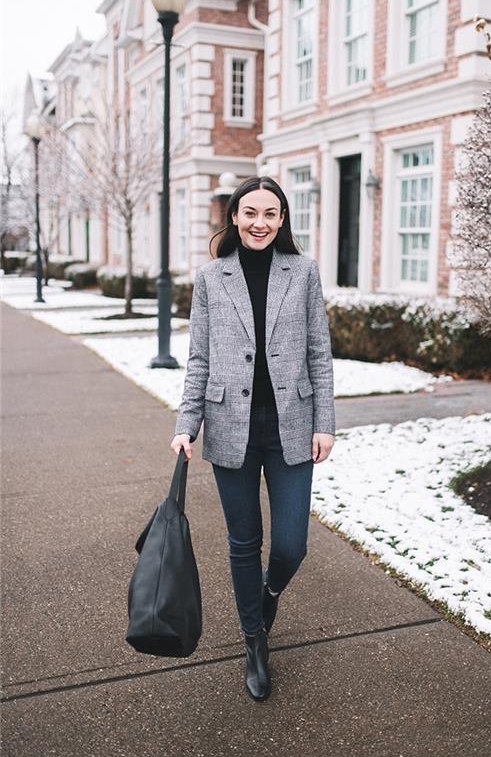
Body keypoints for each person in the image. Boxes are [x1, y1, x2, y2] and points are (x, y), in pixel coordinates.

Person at [170, 175, 335, 702]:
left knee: (291, 545)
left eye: (270, 213)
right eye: (249, 212)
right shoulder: (210, 277)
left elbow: (319, 352)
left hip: (291, 424)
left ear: (282, 219)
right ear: (234, 218)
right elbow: (199, 358)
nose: (259, 222)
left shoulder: (303, 272)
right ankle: (254, 642)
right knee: (244, 542)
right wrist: (185, 425)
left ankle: (264, 598)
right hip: (229, 428)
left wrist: (324, 422)